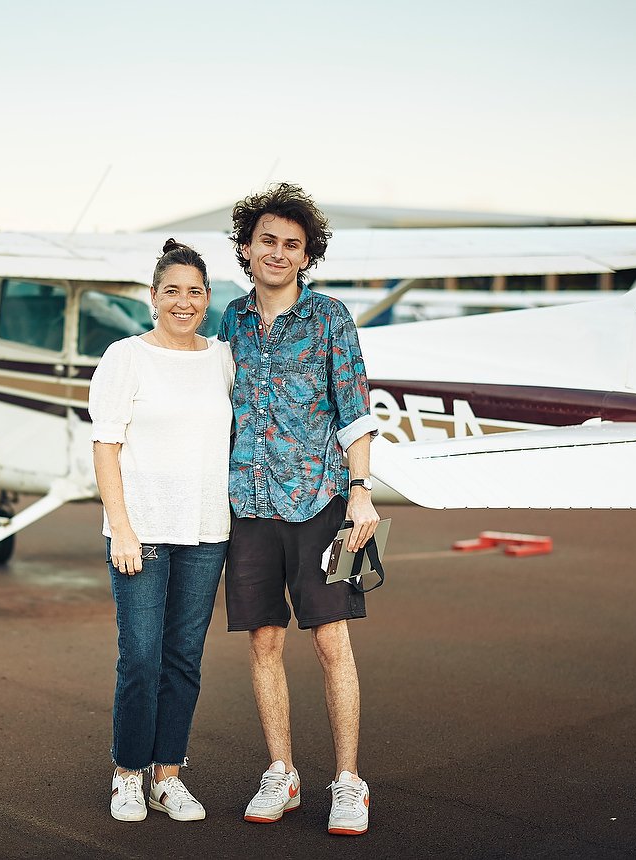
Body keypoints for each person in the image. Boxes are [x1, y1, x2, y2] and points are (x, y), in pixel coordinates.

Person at [217, 183, 382, 836]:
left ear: (307, 255)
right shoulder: (230, 321)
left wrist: (361, 491)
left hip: (321, 504)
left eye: (292, 244)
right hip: (250, 506)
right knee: (263, 640)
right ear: (246, 248)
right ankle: (281, 772)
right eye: (267, 241)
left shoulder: (331, 318)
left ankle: (348, 781)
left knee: (331, 640)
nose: (278, 253)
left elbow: (355, 409)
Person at [89, 238, 235, 823]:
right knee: (141, 657)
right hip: (141, 530)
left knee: (184, 658)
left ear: (207, 299)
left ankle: (167, 775)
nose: (183, 302)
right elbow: (106, 445)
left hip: (207, 530)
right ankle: (128, 773)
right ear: (153, 297)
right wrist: (121, 529)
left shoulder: (223, 358)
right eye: (171, 291)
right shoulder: (125, 357)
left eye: (194, 292)